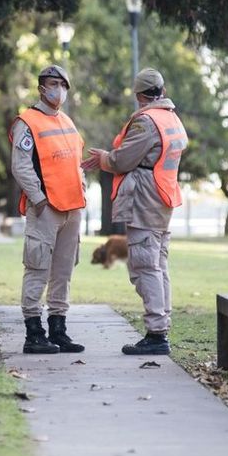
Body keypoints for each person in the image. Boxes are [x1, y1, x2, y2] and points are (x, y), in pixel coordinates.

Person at [82, 68, 188, 356]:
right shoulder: (172, 118)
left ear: (140, 95)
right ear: (162, 91)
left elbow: (123, 159)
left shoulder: (146, 121)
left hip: (145, 200)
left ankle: (156, 334)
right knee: (158, 265)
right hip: (163, 199)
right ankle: (161, 326)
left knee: (144, 265)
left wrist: (105, 158)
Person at [9, 65, 87, 355]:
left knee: (63, 272)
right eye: (53, 84)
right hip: (46, 208)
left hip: (73, 207)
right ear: (42, 88)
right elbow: (21, 166)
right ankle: (33, 332)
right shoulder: (27, 122)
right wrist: (39, 200)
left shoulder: (66, 120)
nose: (59, 90)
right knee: (38, 268)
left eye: (63, 84)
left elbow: (75, 162)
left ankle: (58, 329)